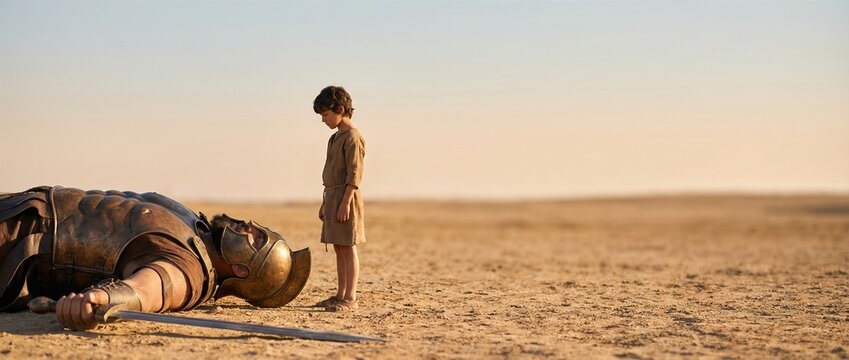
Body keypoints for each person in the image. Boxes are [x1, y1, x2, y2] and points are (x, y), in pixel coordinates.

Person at [0, 186, 311, 330]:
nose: (251, 225)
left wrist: (96, 298)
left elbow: (148, 290)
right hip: (25, 205)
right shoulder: (195, 225)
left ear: (242, 271)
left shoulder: (191, 272)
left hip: (17, 246)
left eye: (257, 239)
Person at [312, 85, 366, 312]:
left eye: (325, 114)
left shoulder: (353, 137)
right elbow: (331, 174)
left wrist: (344, 203)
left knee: (348, 246)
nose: (323, 120)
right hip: (333, 196)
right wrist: (326, 203)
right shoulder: (335, 138)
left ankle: (350, 297)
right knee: (338, 247)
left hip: (347, 198)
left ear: (340, 109)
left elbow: (354, 174)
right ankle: (340, 294)